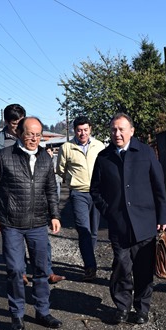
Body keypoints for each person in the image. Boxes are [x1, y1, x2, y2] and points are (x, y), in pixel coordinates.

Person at [0, 116, 63, 330]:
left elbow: (50, 190)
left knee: (42, 269)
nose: (34, 139)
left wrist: (54, 215)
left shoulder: (45, 159)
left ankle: (42, 311)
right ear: (20, 133)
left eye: (38, 135)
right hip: (11, 224)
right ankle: (17, 315)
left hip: (38, 223)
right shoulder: (4, 156)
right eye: (30, 134)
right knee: (16, 270)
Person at [90, 113, 166, 325]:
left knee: (143, 268)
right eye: (114, 129)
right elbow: (95, 190)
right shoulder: (104, 157)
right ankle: (122, 307)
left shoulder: (145, 152)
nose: (117, 133)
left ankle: (142, 308)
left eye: (121, 129)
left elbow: (159, 186)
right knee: (121, 267)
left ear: (131, 131)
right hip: (119, 225)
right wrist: (109, 212)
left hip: (145, 221)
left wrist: (163, 215)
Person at [56, 116, 105, 281]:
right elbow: (60, 169)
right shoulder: (67, 147)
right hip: (78, 194)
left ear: (90, 129)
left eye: (85, 129)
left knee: (94, 232)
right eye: (79, 130)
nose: (82, 133)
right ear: (74, 131)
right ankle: (90, 266)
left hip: (97, 193)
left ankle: (88, 259)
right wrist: (72, 181)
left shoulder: (99, 146)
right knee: (83, 230)